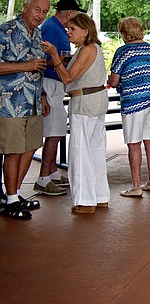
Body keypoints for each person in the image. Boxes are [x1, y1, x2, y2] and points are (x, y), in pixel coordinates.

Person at [41, 14, 109, 214]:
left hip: (84, 103)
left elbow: (68, 78)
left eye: (73, 29)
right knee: (95, 150)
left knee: (80, 152)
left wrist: (54, 56)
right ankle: (99, 196)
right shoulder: (90, 49)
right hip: (94, 101)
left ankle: (85, 201)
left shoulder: (87, 50)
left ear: (85, 31)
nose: (68, 32)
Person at [0, 0, 51, 220]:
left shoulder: (38, 34)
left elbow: (38, 70)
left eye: (45, 12)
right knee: (13, 150)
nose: (40, 15)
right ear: (25, 7)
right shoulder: (6, 30)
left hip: (33, 102)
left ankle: (15, 194)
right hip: (10, 102)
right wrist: (26, 65)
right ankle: (10, 199)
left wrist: (42, 95)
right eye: (37, 9)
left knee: (30, 147)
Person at [108, 17, 150, 198]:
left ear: (124, 33)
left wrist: (112, 81)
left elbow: (114, 80)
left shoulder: (123, 51)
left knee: (134, 144)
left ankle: (136, 185)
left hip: (134, 100)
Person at [36, 0, 85, 196]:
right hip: (50, 82)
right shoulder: (51, 28)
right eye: (75, 15)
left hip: (58, 82)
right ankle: (43, 177)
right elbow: (40, 60)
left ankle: (53, 172)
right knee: (53, 131)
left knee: (57, 129)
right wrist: (59, 61)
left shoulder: (57, 28)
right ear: (68, 13)